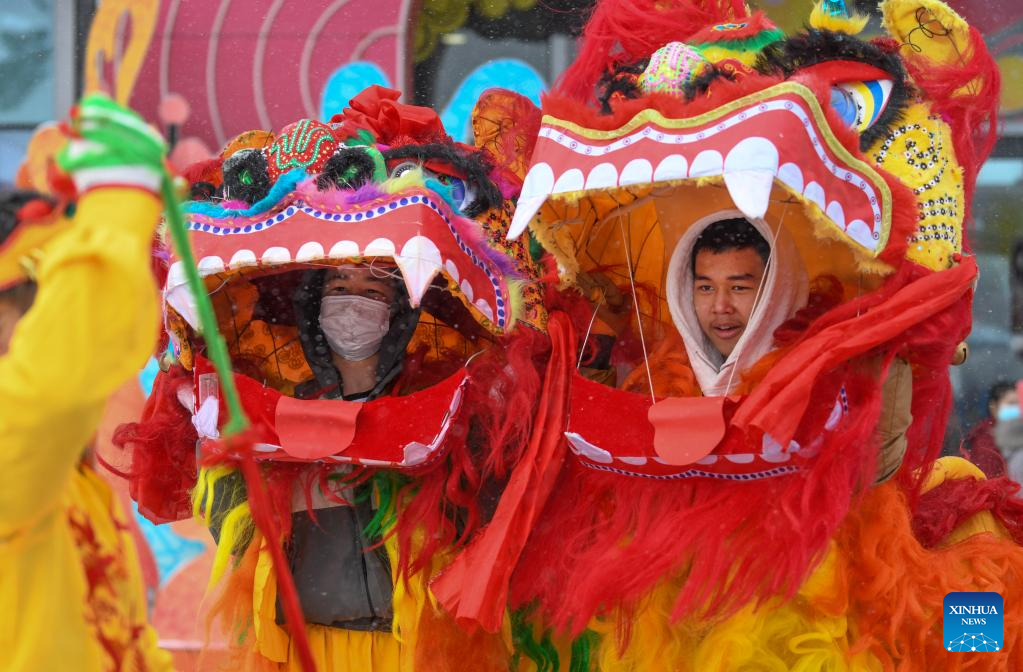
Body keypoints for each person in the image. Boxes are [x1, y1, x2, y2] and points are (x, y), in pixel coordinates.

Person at [0, 95, 172, 671]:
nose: (45, 325)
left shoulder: (69, 480)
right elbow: (51, 387)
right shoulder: (19, 436)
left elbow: (119, 637)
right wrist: (118, 203)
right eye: (30, 307)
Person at [962, 380, 1014, 478]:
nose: (1018, 408)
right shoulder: (985, 440)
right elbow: (988, 479)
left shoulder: (1014, 433)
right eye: (1012, 403)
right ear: (993, 407)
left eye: (1020, 403)